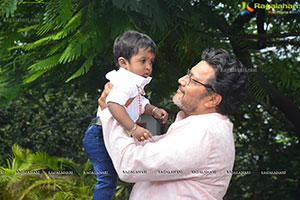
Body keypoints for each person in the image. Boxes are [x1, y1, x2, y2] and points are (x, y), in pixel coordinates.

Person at [98, 48, 248, 200]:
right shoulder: (202, 127)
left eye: (192, 79)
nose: (181, 80)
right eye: (188, 73)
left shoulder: (204, 134)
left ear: (213, 100)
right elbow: (147, 151)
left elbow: (131, 166)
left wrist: (110, 111)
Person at [83, 30, 168, 200]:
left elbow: (140, 103)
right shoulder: (126, 81)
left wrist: (153, 110)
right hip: (99, 135)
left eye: (151, 62)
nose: (148, 67)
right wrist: (134, 128)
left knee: (114, 178)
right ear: (123, 62)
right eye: (142, 61)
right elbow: (113, 103)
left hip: (106, 133)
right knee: (107, 179)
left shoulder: (133, 82)